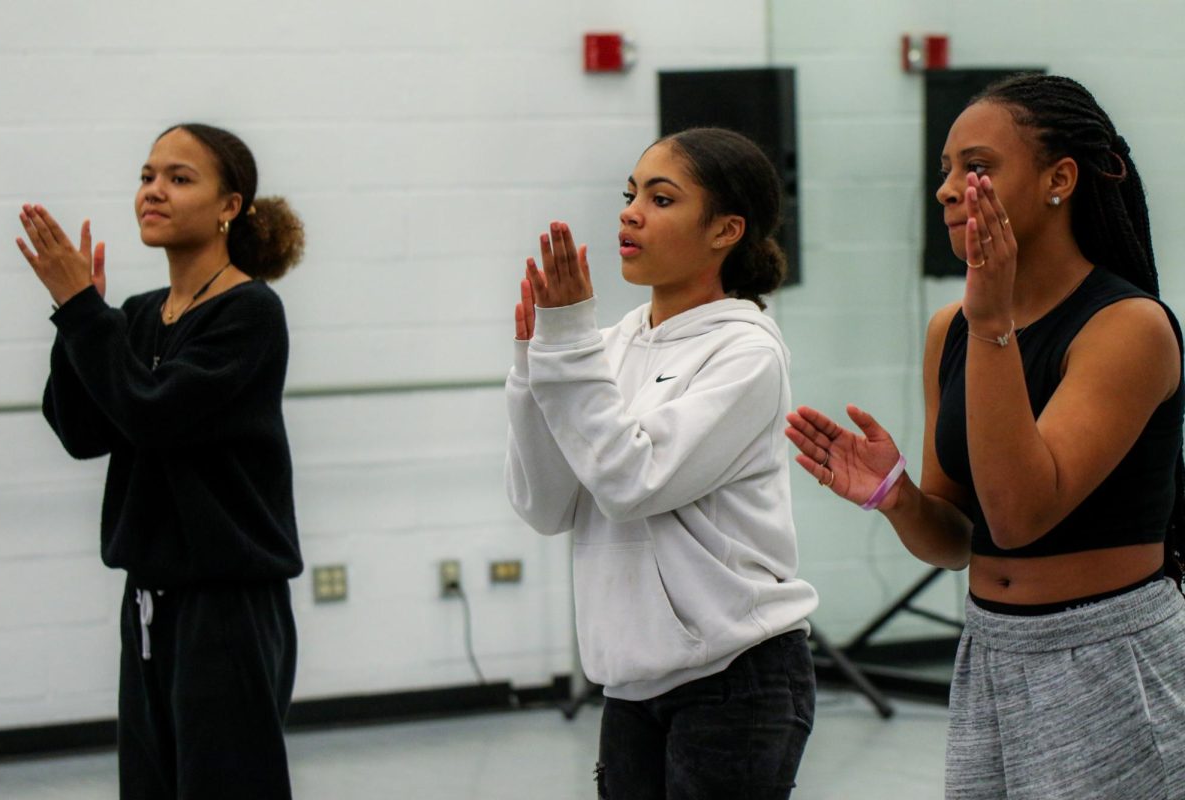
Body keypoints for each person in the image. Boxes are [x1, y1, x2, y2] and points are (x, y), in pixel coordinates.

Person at [786, 73, 1185, 798]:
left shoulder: (1129, 328)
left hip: (1106, 655)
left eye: (976, 167)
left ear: (1059, 178)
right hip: (991, 648)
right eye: (944, 171)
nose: (946, 189)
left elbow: (1021, 514)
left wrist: (993, 322)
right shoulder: (953, 330)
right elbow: (961, 538)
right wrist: (896, 496)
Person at [505, 127, 819, 799]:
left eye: (662, 197)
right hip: (631, 685)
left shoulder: (745, 354)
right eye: (630, 193)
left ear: (725, 230)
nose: (630, 211)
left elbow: (629, 481)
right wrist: (535, 366)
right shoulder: (609, 345)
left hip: (735, 677)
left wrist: (568, 354)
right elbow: (547, 504)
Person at [18, 123, 305, 799]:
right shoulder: (142, 315)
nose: (154, 191)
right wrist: (72, 310)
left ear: (230, 205)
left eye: (179, 178)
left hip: (226, 605)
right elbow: (82, 429)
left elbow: (154, 412)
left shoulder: (250, 313)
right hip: (149, 601)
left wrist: (88, 313)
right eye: (148, 176)